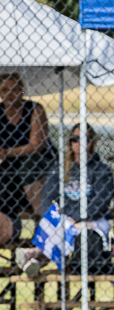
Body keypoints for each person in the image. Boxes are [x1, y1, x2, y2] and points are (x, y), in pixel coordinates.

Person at [15, 123, 114, 277]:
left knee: (72, 229)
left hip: (91, 220)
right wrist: (65, 217)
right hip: (65, 219)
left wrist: (77, 217)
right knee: (60, 226)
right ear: (70, 142)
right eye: (75, 139)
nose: (79, 143)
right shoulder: (60, 168)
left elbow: (101, 202)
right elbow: (48, 198)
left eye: (85, 139)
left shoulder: (102, 170)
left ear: (92, 142)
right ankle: (36, 259)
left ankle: (34, 255)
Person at [0, 73, 56, 245]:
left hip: (38, 162)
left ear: (22, 91)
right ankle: (8, 224)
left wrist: (6, 152)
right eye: (4, 89)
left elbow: (36, 145)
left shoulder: (34, 109)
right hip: (9, 166)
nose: (9, 93)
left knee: (29, 167)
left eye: (14, 89)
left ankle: (42, 223)